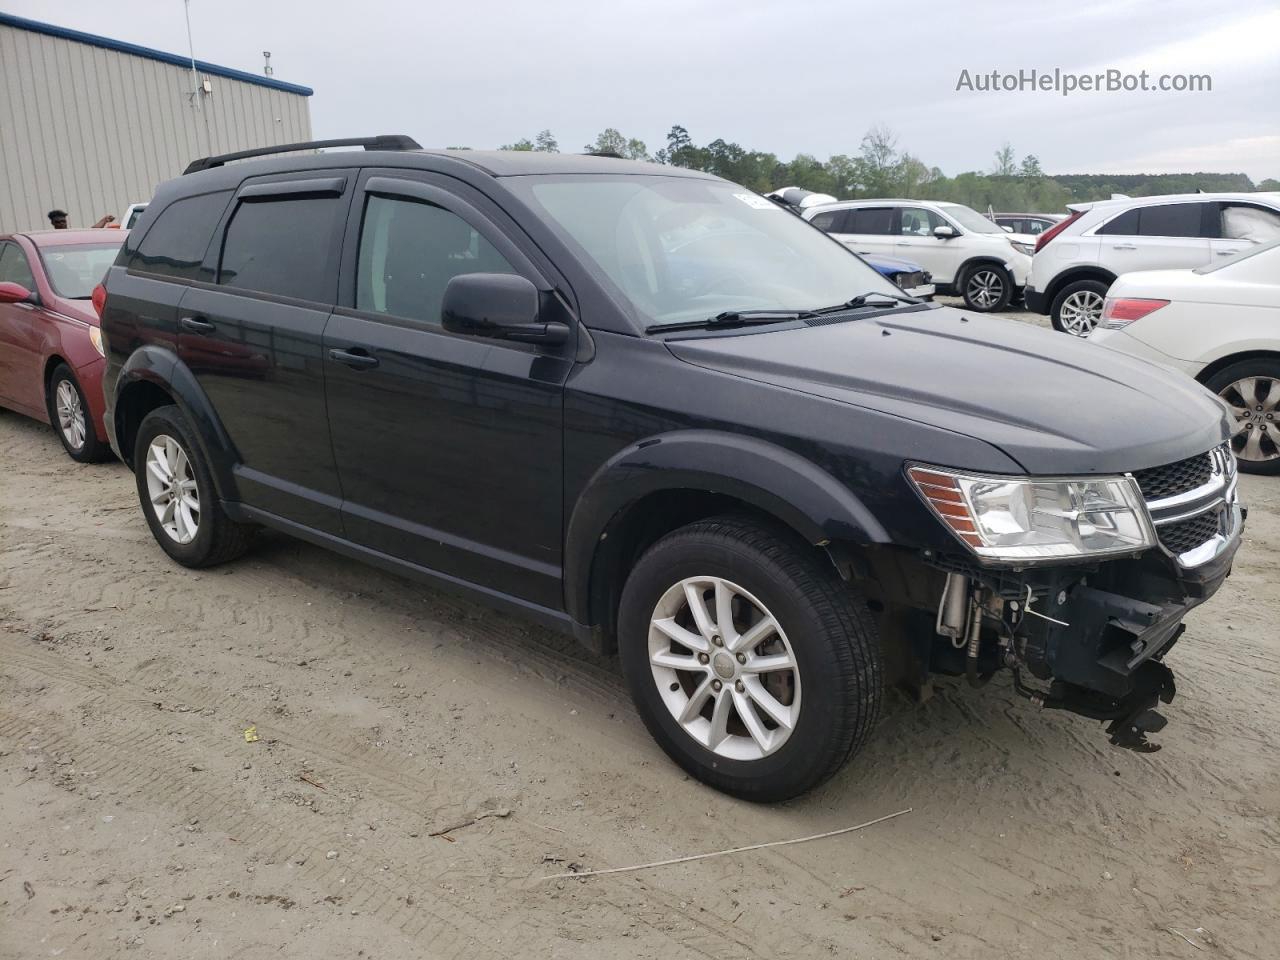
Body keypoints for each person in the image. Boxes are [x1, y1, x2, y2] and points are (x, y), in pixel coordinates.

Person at [47, 209, 115, 229]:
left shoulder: (71, 234)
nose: (61, 224)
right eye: (58, 222)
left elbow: (92, 231)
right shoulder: (51, 237)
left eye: (63, 221)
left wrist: (105, 220)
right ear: (52, 223)